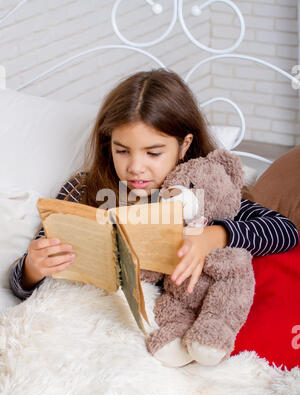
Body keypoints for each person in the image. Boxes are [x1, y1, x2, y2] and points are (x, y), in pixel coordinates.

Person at [9, 69, 299, 301]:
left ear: (184, 145)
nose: (135, 167)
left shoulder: (206, 191)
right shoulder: (83, 189)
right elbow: (23, 280)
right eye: (122, 151)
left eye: (153, 153)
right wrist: (31, 270)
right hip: (100, 319)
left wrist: (214, 236)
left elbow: (285, 231)